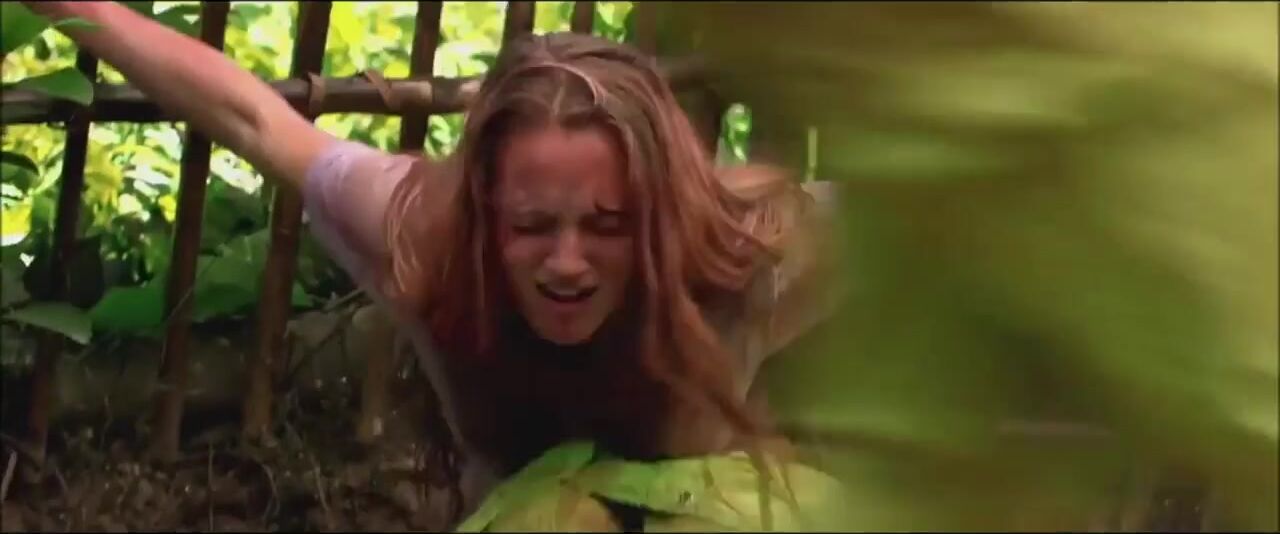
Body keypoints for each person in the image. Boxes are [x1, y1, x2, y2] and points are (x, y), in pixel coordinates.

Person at [27, 1, 846, 530]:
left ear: (661, 219)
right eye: (531, 226)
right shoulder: (419, 234)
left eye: (608, 225)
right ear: (483, 213)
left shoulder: (747, 256)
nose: (568, 263)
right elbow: (251, 119)